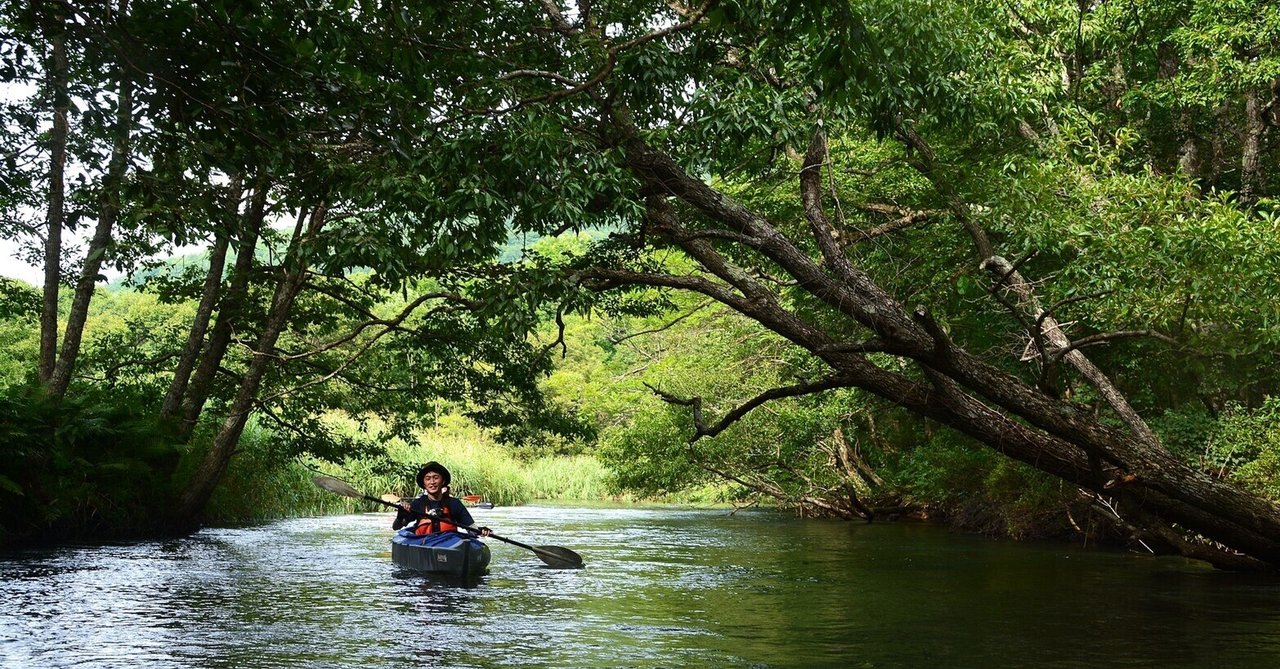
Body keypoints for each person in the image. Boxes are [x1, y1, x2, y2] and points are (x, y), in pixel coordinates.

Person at [393, 461, 491, 537]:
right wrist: (400, 517)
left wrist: (480, 530)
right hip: (424, 543)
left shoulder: (454, 504)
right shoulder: (418, 504)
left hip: (448, 544)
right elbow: (396, 527)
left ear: (443, 481)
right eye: (428, 479)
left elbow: (471, 529)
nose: (432, 482)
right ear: (424, 484)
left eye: (436, 478)